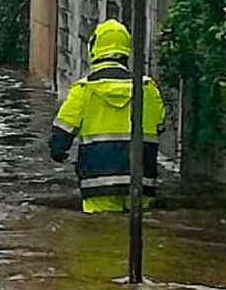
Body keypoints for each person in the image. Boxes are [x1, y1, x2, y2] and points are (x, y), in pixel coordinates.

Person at [49, 18, 165, 214]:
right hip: (140, 181)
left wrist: (58, 152)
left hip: (97, 183)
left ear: (94, 48)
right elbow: (160, 127)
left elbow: (61, 136)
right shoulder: (147, 88)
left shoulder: (84, 89)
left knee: (98, 235)